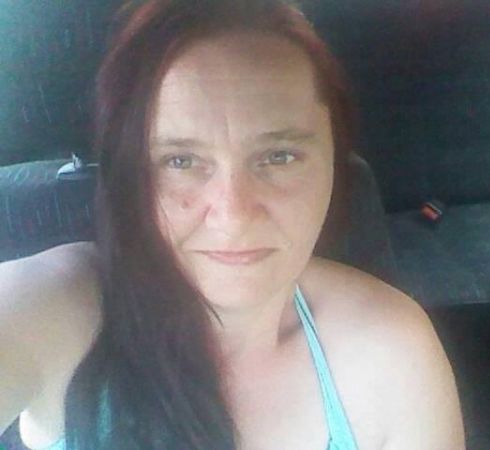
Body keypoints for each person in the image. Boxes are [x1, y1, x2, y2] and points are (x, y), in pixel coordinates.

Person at [0, 0, 465, 448]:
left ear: (334, 165)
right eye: (181, 160)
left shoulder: (392, 348)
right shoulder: (57, 308)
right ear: (131, 177)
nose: (234, 214)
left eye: (278, 156)